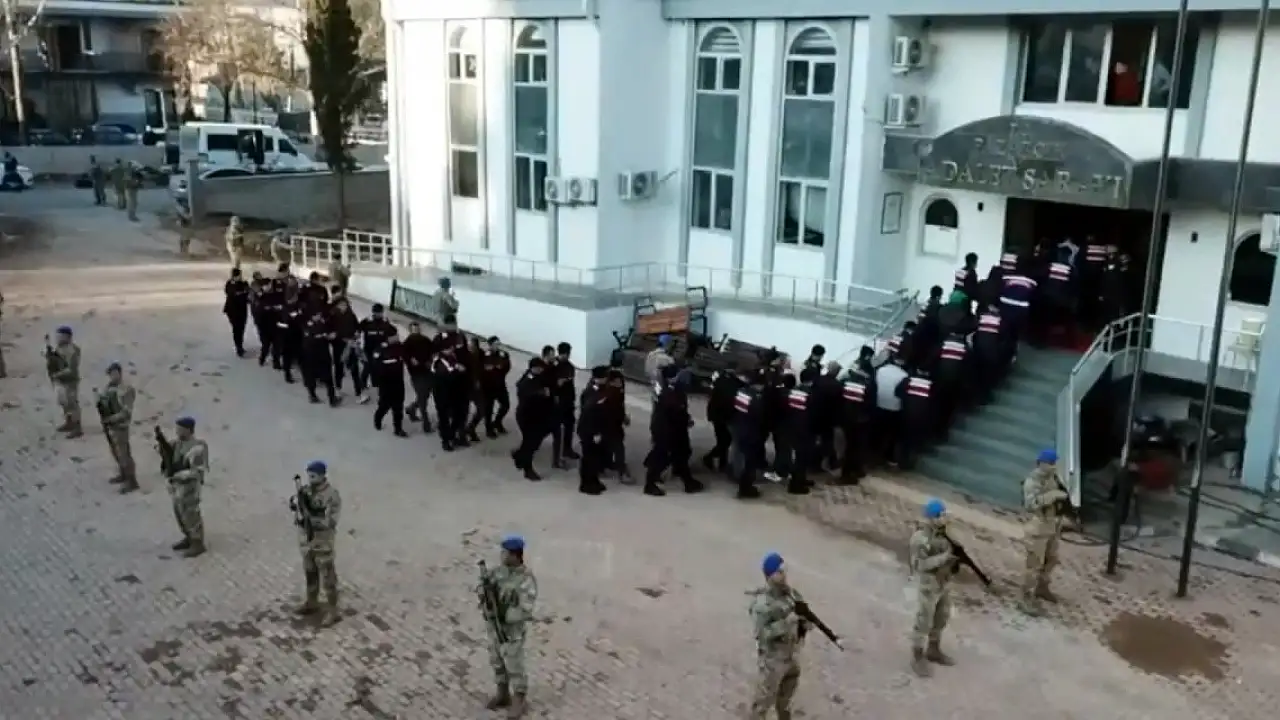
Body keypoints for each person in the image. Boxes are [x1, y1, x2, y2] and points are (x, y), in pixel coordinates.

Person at [479, 535, 538, 718]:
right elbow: (483, 588)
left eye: (505, 553)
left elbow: (526, 608)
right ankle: (502, 693)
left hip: (512, 632)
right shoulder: (498, 572)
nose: (502, 555)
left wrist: (505, 615)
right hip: (494, 627)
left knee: (514, 664)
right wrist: (484, 595)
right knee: (496, 660)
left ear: (515, 555)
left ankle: (519, 698)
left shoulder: (526, 579)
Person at [747, 552, 805, 720]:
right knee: (763, 703)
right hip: (773, 662)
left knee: (785, 702)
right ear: (770, 576)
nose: (783, 574)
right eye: (779, 572)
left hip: (791, 656)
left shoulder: (791, 594)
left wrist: (805, 623)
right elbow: (762, 634)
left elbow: (802, 613)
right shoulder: (762, 604)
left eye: (783, 570)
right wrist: (786, 623)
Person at [908, 498, 956, 677]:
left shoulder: (944, 534)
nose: (944, 518)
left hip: (943, 581)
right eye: (940, 515)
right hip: (929, 583)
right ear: (932, 518)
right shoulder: (920, 539)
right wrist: (944, 558)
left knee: (942, 615)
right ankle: (917, 655)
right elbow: (920, 564)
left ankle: (934, 649)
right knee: (924, 619)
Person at [294, 460, 343, 627]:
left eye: (314, 476)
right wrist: (298, 507)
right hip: (308, 542)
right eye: (309, 476)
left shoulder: (332, 495)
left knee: (328, 578)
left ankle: (333, 610)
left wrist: (314, 518)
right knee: (310, 573)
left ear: (322, 476)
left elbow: (331, 520)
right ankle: (312, 602)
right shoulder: (306, 491)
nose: (310, 479)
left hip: (323, 543)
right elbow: (299, 512)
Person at [644, 364, 704, 497]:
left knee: (681, 455)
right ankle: (650, 484)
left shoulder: (672, 389)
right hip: (667, 430)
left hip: (675, 429)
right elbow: (675, 412)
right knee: (662, 457)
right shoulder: (669, 393)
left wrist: (686, 419)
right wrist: (684, 419)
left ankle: (688, 482)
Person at [1022, 449, 1069, 616]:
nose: (1053, 466)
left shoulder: (1054, 478)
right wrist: (1052, 496)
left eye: (1054, 463)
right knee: (1034, 564)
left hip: (1053, 527)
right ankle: (1026, 598)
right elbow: (1030, 505)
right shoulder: (1032, 481)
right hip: (1038, 528)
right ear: (1041, 463)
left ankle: (1042, 587)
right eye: (1050, 463)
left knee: (1052, 559)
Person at [166, 416, 210, 558]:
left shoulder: (198, 447)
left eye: (180, 429)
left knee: (191, 514)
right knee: (179, 512)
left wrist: (180, 475)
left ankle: (197, 543)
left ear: (188, 430)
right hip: (177, 485)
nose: (177, 431)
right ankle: (188, 536)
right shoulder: (176, 444)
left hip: (190, 485)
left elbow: (198, 471)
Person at [97, 362, 138, 493]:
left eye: (115, 373)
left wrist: (112, 418)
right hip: (110, 425)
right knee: (115, 451)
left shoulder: (127, 389)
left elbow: (127, 411)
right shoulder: (109, 387)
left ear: (120, 373)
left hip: (121, 425)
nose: (113, 376)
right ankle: (123, 474)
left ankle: (131, 481)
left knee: (124, 453)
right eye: (111, 374)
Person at [512, 358, 554, 481]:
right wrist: (541, 393)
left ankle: (520, 455)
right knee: (530, 443)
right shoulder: (526, 381)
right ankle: (527, 469)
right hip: (527, 417)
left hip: (538, 416)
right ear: (533, 368)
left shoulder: (540, 376)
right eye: (539, 368)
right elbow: (524, 393)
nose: (541, 370)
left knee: (535, 440)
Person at [576, 366, 611, 495]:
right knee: (589, 458)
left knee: (596, 457)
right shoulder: (591, 392)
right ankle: (586, 484)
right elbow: (589, 414)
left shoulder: (602, 389)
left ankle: (594, 480)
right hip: (589, 431)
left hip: (599, 429)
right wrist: (594, 432)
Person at [48, 325, 83, 438]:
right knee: (64, 402)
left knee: (72, 404)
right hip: (61, 380)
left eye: (60, 336)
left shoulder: (72, 351)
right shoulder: (59, 348)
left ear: (67, 337)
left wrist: (57, 374)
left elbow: (71, 369)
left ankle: (77, 427)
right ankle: (69, 422)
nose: (57, 339)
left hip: (70, 381)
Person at [358, 304, 397, 403]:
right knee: (366, 371)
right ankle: (363, 393)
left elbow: (394, 335)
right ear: (373, 312)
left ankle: (381, 394)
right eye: (376, 313)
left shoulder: (386, 322)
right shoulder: (367, 321)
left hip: (380, 352)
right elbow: (358, 331)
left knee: (380, 373)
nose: (378, 315)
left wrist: (387, 343)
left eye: (380, 313)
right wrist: (358, 344)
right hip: (368, 351)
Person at [372, 331, 408, 437]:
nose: (397, 338)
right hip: (386, 383)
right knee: (384, 405)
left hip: (398, 382)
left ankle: (398, 429)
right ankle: (378, 419)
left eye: (397, 335)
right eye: (394, 336)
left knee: (398, 407)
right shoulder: (380, 349)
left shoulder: (400, 347)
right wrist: (376, 383)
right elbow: (375, 366)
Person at [302, 307, 339, 406]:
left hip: (324, 355)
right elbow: (308, 341)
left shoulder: (322, 324)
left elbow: (328, 333)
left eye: (320, 315)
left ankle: (332, 398)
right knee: (311, 377)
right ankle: (312, 395)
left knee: (328, 378)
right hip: (312, 356)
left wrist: (330, 336)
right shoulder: (307, 326)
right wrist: (323, 337)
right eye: (317, 315)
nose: (319, 316)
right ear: (312, 316)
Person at [403, 322, 435, 431]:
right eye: (414, 330)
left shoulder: (425, 340)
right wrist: (410, 360)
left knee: (425, 396)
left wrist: (431, 361)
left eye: (417, 329)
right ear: (410, 330)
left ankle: (411, 408)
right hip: (416, 375)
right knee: (423, 399)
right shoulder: (407, 344)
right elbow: (405, 357)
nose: (416, 331)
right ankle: (426, 424)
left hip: (428, 372)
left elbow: (433, 351)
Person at [329, 297, 363, 398]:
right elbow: (330, 331)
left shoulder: (351, 315)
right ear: (337, 305)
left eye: (345, 304)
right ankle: (338, 389)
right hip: (339, 345)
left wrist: (358, 332)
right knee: (339, 368)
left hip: (351, 343)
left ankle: (358, 392)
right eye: (341, 305)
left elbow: (357, 326)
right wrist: (334, 337)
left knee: (354, 368)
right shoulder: (333, 315)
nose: (344, 306)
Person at [479, 336, 512, 436]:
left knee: (506, 405)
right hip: (488, 386)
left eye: (498, 344)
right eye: (495, 344)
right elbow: (482, 368)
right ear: (490, 345)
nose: (497, 346)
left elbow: (507, 365)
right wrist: (493, 368)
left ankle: (497, 422)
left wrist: (500, 367)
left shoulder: (503, 354)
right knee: (489, 408)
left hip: (500, 384)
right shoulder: (485, 355)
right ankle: (488, 429)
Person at [223, 267, 251, 357]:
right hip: (232, 311)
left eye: (240, 275)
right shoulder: (229, 283)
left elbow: (248, 293)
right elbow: (230, 293)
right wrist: (242, 293)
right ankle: (238, 347)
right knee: (236, 328)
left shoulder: (244, 283)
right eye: (238, 276)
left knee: (241, 328)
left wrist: (244, 293)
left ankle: (240, 344)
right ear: (234, 276)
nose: (240, 277)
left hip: (242, 310)